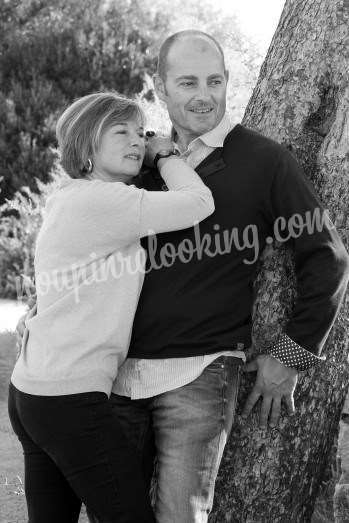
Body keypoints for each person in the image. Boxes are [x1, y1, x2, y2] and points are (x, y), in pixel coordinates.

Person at [108, 30, 349, 523]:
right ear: (161, 88)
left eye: (214, 81)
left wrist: (293, 354)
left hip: (201, 374)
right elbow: (89, 244)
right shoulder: (139, 163)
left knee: (181, 517)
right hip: (113, 374)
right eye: (188, 81)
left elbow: (328, 256)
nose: (203, 95)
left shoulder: (263, 162)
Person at [8, 91, 215, 523]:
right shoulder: (104, 201)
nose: (137, 140)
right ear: (86, 144)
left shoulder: (71, 197)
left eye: (142, 133)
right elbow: (199, 203)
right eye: (121, 131)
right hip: (69, 399)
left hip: (34, 392)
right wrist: (166, 155)